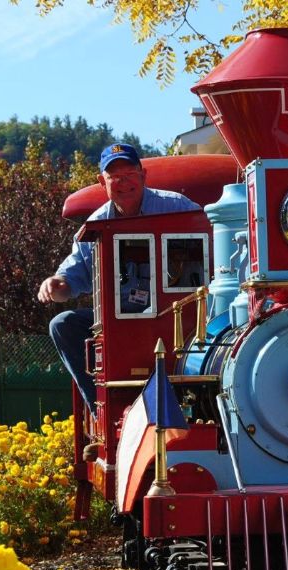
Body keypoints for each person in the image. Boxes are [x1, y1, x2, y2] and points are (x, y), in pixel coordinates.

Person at [37, 143, 201, 413]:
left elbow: (212, 247)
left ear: (143, 175)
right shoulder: (95, 226)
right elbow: (69, 282)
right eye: (115, 177)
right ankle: (103, 408)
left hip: (178, 319)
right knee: (63, 324)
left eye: (129, 174)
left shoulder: (178, 208)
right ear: (102, 182)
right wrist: (55, 285)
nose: (124, 183)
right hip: (119, 325)